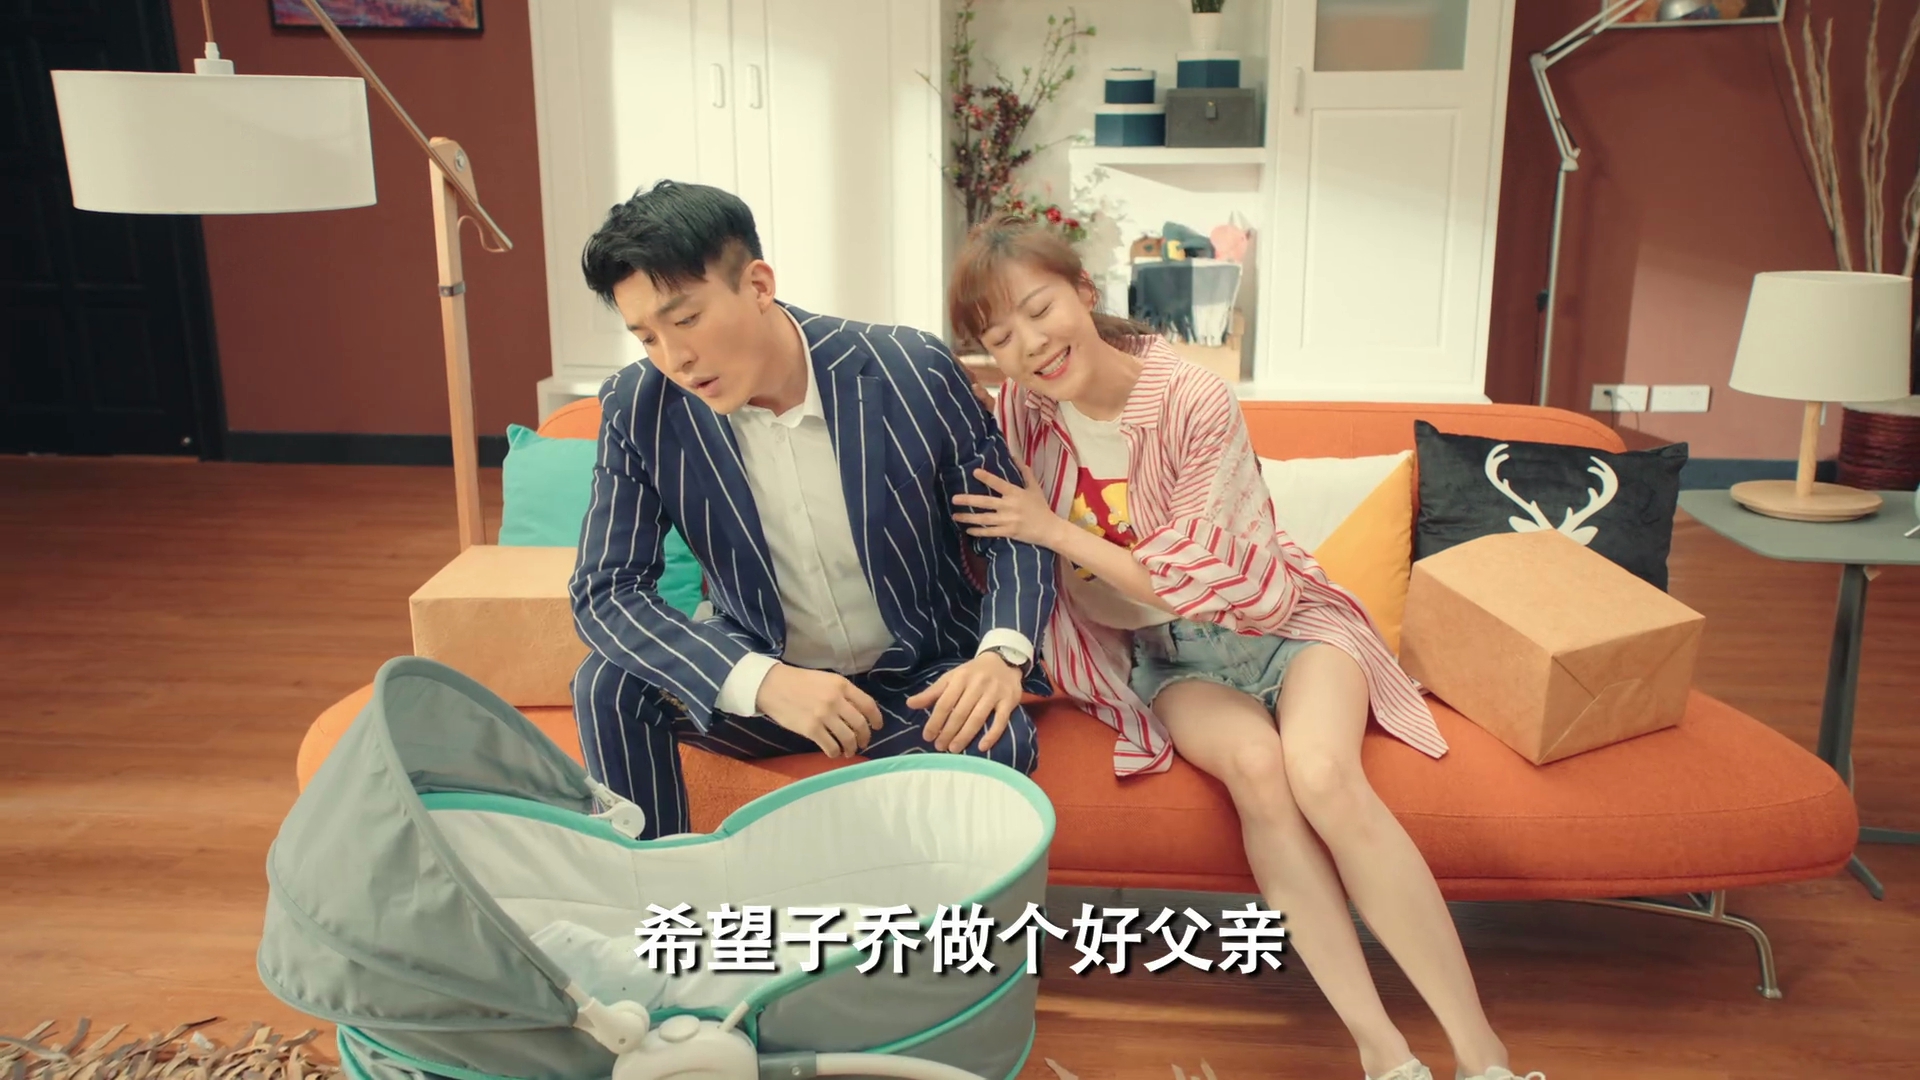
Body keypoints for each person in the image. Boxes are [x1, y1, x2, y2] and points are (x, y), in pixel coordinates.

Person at [944, 213, 1542, 1080]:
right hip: (1170, 661)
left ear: (1083, 291)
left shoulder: (1193, 397)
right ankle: (1383, 1052)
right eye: (1000, 337)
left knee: (1322, 775)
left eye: (1040, 310)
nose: (1030, 344)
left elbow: (1199, 575)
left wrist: (1053, 529)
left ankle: (1483, 1053)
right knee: (1259, 771)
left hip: (1283, 628)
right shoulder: (1021, 416)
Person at [568, 182, 1056, 838]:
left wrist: (1002, 654)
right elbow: (605, 590)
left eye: (685, 320)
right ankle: (657, 891)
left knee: (996, 741)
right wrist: (762, 682)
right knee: (608, 683)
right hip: (767, 681)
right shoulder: (638, 407)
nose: (675, 359)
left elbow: (1012, 530)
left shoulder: (912, 369)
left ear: (758, 285)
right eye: (646, 337)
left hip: (916, 675)